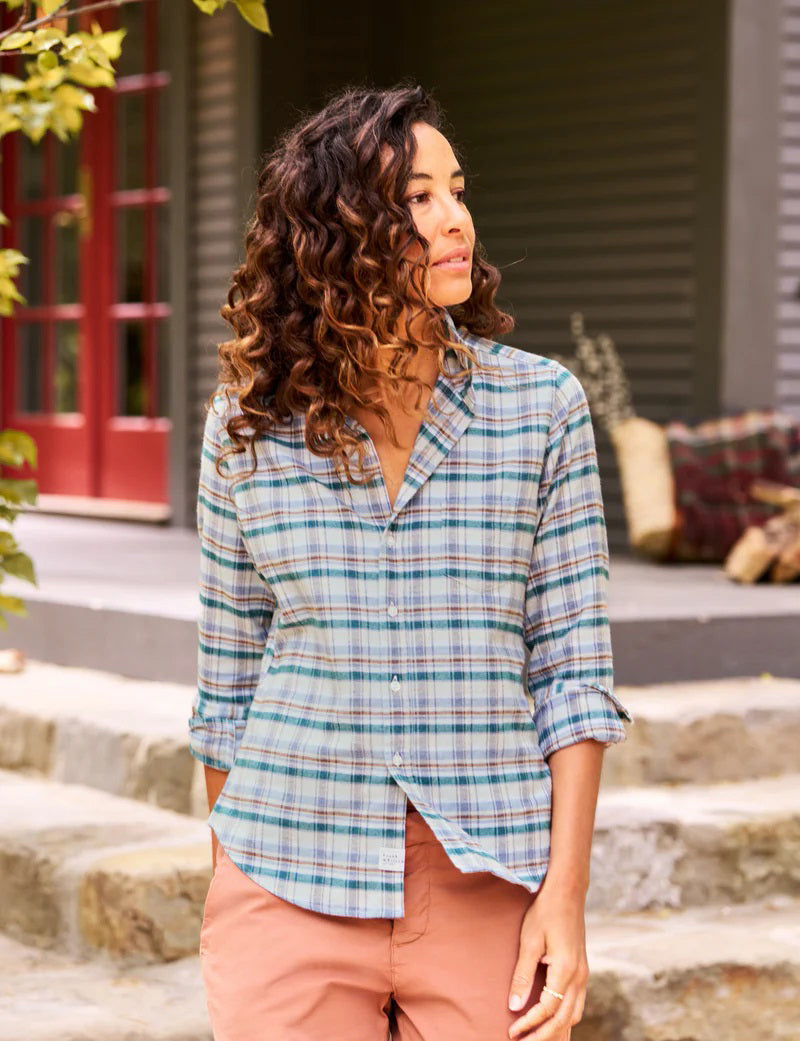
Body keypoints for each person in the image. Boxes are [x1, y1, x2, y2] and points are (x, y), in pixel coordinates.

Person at [189, 82, 632, 1041]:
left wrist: (566, 895)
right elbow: (225, 686)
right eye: (418, 199)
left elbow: (573, 676)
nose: (456, 219)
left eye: (457, 190)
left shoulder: (542, 410)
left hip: (484, 872)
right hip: (287, 866)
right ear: (334, 234)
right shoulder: (248, 426)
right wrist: (231, 868)